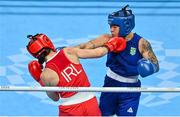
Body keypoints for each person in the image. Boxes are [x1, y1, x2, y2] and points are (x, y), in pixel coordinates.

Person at [76, 5, 160, 116]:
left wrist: (149, 68)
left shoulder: (141, 43)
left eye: (115, 26)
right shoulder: (108, 38)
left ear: (126, 25)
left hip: (131, 90)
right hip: (110, 84)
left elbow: (156, 64)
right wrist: (69, 50)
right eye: (110, 26)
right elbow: (88, 45)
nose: (111, 29)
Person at [26, 33, 126, 116]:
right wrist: (111, 45)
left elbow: (55, 98)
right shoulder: (68, 52)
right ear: (48, 42)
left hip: (70, 109)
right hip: (90, 102)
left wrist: (41, 81)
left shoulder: (45, 75)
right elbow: (98, 53)